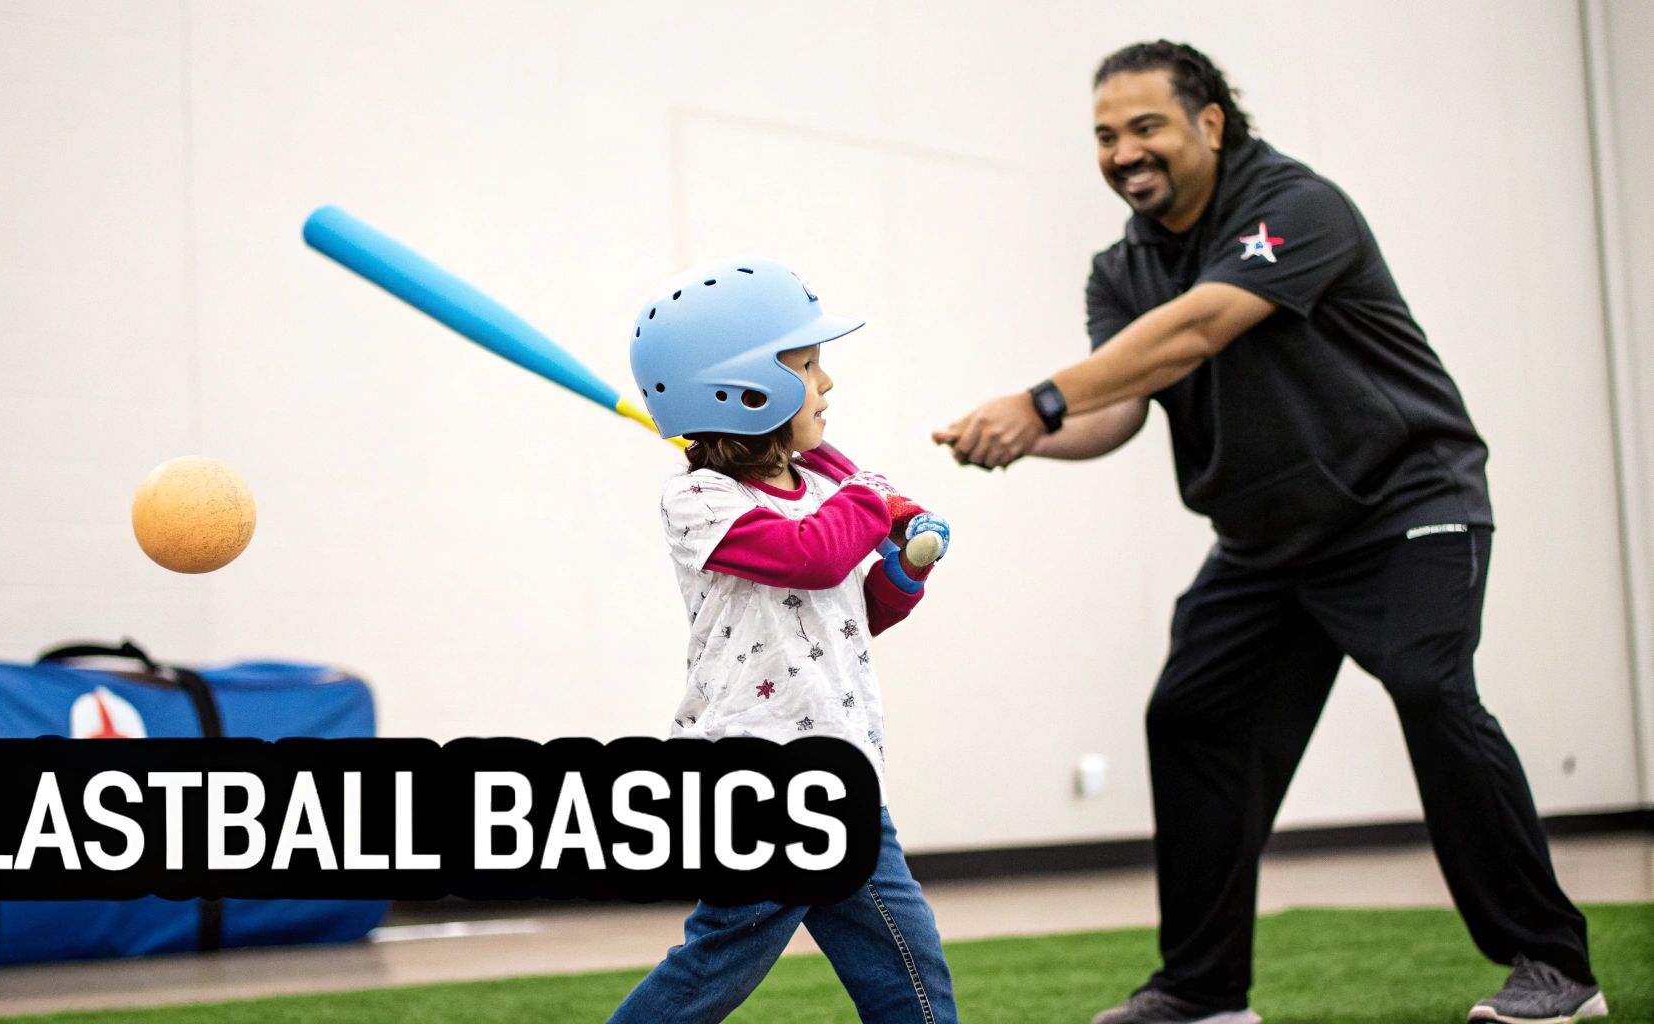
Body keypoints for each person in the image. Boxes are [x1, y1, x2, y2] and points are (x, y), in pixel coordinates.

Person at [934, 40, 1604, 1024]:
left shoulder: (1295, 205)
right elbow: (1121, 404)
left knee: (1428, 685)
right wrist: (1024, 438)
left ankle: (1552, 966)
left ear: (1209, 123)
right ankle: (1202, 991)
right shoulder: (1121, 269)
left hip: (1402, 505)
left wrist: (1036, 400)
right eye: (1105, 136)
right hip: (1264, 541)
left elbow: (1199, 327)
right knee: (1190, 715)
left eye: (1146, 127)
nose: (1124, 152)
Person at [609, 256, 958, 1023]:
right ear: (742, 391)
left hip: (842, 768)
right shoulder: (701, 501)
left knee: (909, 966)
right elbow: (813, 556)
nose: (826, 384)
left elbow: (848, 614)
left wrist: (904, 570)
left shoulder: (823, 492)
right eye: (806, 366)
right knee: (717, 965)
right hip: (763, 783)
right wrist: (873, 494)